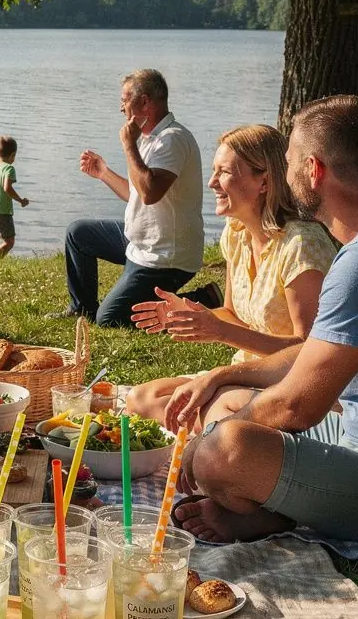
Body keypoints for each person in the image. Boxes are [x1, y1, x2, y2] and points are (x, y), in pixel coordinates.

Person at [168, 96, 358, 545]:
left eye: (287, 164)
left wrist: (213, 440)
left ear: (314, 170)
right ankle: (283, 509)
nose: (285, 177)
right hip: (354, 429)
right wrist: (223, 375)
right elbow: (314, 351)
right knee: (225, 402)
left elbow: (297, 406)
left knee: (222, 450)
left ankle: (284, 513)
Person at [127, 125, 336, 426]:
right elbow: (230, 314)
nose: (212, 182)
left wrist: (221, 333)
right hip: (242, 375)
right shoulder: (237, 234)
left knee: (203, 416)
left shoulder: (301, 245)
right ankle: (215, 431)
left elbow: (310, 353)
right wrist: (189, 315)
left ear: (263, 181)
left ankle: (222, 438)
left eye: (224, 172)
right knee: (141, 398)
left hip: (288, 387)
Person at [57, 69, 215, 326]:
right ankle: (81, 307)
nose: (120, 107)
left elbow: (150, 193)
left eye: (124, 100)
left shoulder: (172, 139)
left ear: (144, 102)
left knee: (110, 319)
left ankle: (203, 299)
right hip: (141, 244)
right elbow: (138, 194)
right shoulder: (149, 139)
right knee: (78, 234)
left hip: (165, 258)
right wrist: (103, 173)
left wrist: (128, 145)